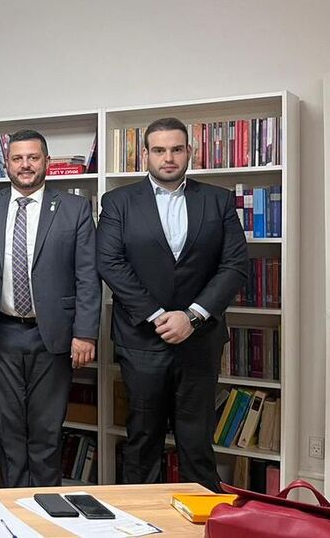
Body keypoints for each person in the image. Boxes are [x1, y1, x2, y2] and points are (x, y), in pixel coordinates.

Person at [96, 117, 247, 491]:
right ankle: (137, 525)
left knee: (196, 444)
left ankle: (203, 527)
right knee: (142, 441)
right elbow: (110, 263)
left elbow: (235, 266)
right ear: (145, 154)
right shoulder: (118, 202)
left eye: (177, 149)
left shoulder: (218, 199)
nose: (168, 158)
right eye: (159, 150)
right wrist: (159, 316)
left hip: (200, 342)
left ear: (189, 153)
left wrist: (192, 317)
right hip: (142, 342)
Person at [0, 129, 101, 487]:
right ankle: (13, 502)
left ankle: (45, 504)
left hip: (54, 336)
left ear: (46, 162)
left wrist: (85, 333)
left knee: (46, 428)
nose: (25, 165)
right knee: (8, 428)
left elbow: (88, 275)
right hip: (2, 334)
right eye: (17, 158)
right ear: (6, 164)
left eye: (32, 157)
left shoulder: (73, 208)